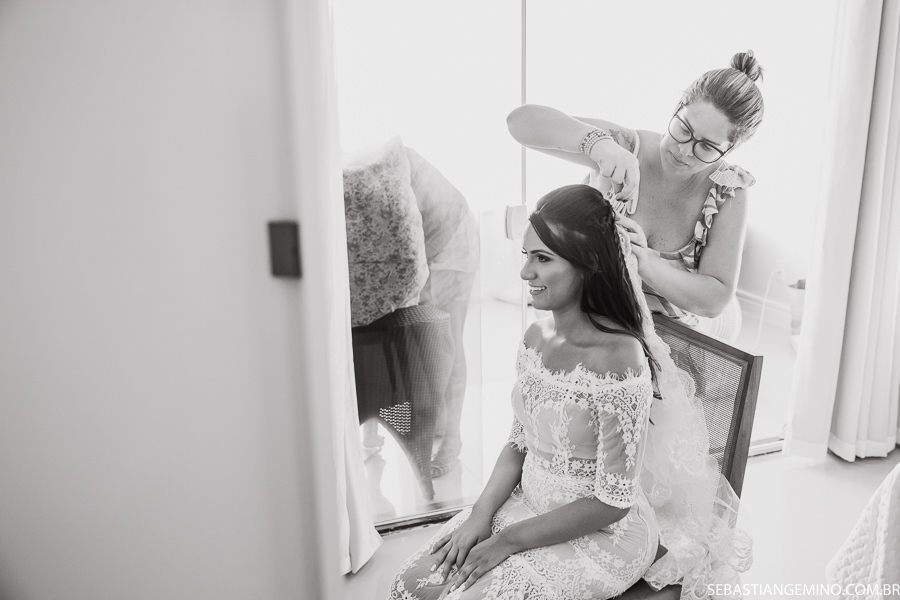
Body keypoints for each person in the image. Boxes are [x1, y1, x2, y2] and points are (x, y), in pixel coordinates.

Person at [387, 185, 750, 600]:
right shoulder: (534, 337)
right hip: (527, 506)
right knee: (409, 587)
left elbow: (613, 502)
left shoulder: (619, 359)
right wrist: (480, 515)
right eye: (526, 256)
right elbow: (517, 442)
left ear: (587, 265)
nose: (525, 274)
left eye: (542, 259)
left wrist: (507, 542)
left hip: (603, 534)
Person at [507, 51, 763, 342]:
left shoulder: (727, 192)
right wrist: (598, 145)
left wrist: (645, 262)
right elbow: (520, 121)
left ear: (730, 149)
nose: (684, 151)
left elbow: (714, 300)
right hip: (586, 328)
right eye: (684, 129)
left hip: (664, 346)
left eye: (707, 147)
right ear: (678, 107)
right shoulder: (626, 146)